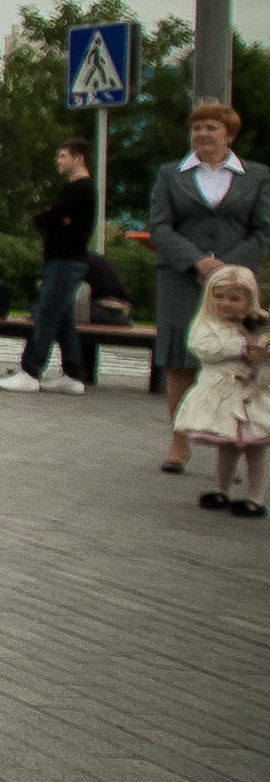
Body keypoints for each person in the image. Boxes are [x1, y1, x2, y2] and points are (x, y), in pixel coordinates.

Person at [150, 103, 270, 473]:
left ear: (228, 135)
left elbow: (264, 229)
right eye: (197, 127)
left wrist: (228, 269)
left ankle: (234, 442)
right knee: (180, 357)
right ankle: (178, 442)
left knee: (237, 357)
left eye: (211, 127)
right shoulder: (171, 174)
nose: (202, 133)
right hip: (182, 277)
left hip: (236, 283)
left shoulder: (257, 175)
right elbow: (160, 226)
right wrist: (197, 261)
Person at [0, 136, 96, 396]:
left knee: (46, 315)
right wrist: (53, 216)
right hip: (59, 260)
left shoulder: (82, 189)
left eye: (62, 156)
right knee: (62, 320)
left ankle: (30, 371)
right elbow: (46, 217)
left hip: (66, 262)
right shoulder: (70, 189)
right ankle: (73, 374)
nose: (57, 161)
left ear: (78, 158)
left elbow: (50, 216)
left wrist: (52, 215)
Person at [174, 265, 270, 516]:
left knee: (255, 447)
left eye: (235, 298)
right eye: (219, 296)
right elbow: (203, 348)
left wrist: (261, 349)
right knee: (226, 446)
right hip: (221, 392)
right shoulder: (206, 325)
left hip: (253, 393)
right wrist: (242, 346)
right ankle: (221, 489)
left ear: (249, 299)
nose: (225, 303)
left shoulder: (259, 323)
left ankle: (255, 498)